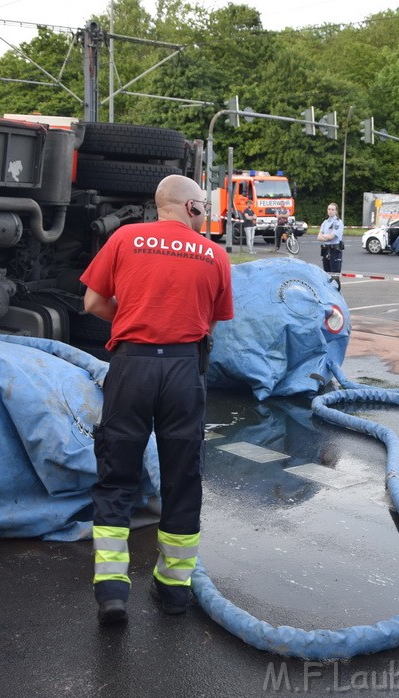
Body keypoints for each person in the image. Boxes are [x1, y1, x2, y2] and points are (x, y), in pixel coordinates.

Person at [80, 174, 234, 625]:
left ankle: (111, 590)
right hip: (185, 371)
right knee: (182, 475)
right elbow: (211, 323)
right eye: (203, 204)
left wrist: (131, 318)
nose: (205, 210)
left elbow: (92, 302)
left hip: (132, 366)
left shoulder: (125, 238)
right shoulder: (215, 254)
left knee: (116, 474)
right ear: (191, 208)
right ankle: (173, 591)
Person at [317, 202, 344, 289]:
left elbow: (332, 237)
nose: (330, 211)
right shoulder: (325, 222)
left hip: (334, 251)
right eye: (329, 209)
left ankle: (336, 296)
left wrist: (324, 236)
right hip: (325, 250)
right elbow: (318, 237)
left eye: (332, 209)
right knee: (326, 275)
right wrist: (326, 237)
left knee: (334, 276)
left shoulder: (338, 222)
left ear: (336, 211)